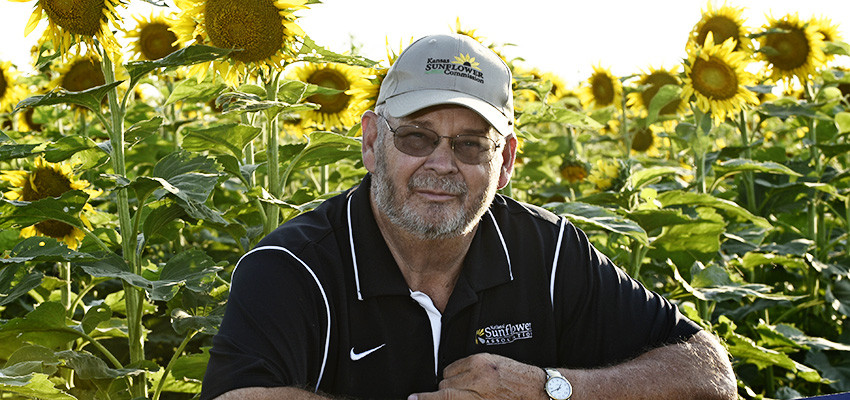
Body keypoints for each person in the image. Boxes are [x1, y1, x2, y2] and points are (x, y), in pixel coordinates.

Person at [200, 33, 737, 400]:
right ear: (370, 142)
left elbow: (707, 373)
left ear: (503, 162)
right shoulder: (293, 267)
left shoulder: (545, 254)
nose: (441, 164)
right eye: (416, 137)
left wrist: (550, 388)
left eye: (470, 145)